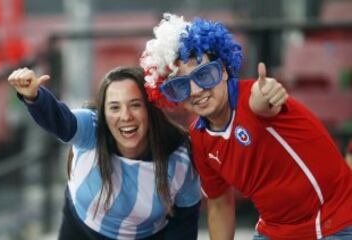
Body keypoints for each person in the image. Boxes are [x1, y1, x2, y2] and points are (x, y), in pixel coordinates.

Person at [140, 13, 352, 240]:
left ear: (223, 71)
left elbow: (261, 101)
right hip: (275, 229)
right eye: (181, 86)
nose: (196, 90)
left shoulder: (253, 99)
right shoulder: (199, 136)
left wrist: (268, 92)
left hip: (333, 222)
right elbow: (220, 203)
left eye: (204, 74)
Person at [8, 66, 201, 240]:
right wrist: (34, 97)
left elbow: (185, 223)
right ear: (103, 113)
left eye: (135, 105)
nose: (126, 116)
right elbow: (60, 120)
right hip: (80, 230)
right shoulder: (90, 127)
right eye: (114, 107)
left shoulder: (179, 158)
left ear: (150, 110)